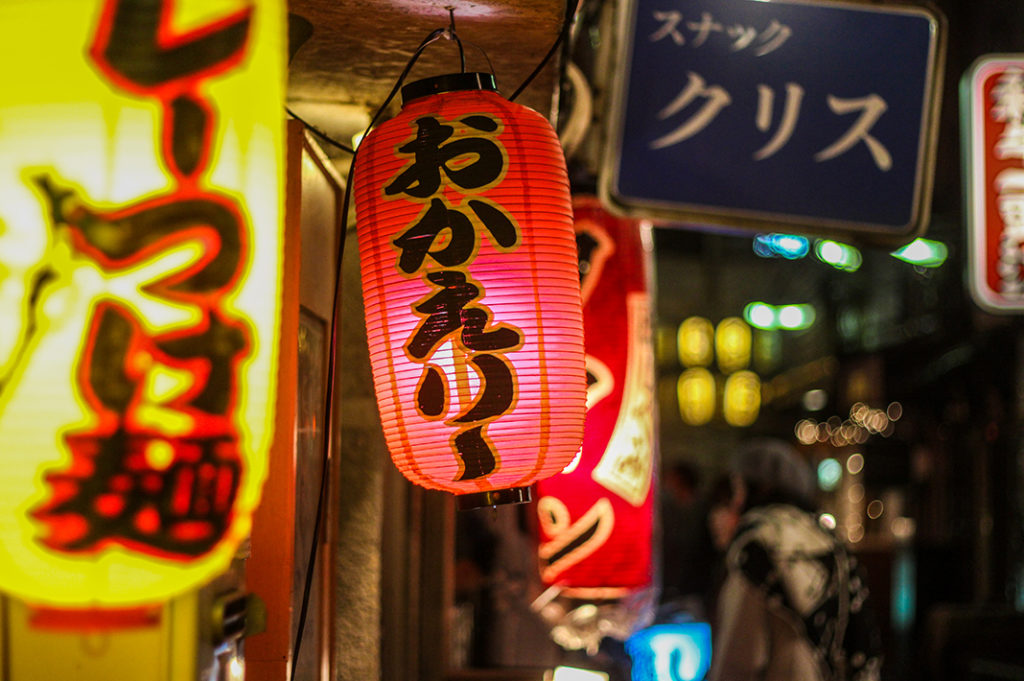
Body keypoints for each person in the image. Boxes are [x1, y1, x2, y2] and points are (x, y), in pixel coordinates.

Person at [708, 438, 883, 681]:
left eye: (738, 490)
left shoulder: (756, 546)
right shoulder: (832, 542)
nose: (734, 503)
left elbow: (738, 659)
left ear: (760, 488)